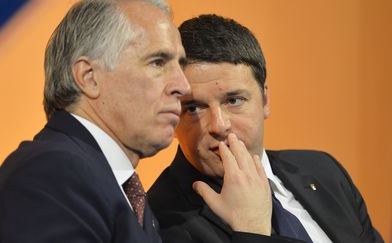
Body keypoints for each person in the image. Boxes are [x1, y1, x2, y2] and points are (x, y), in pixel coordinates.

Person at [0, 0, 190, 242]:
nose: (183, 86)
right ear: (89, 78)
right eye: (158, 62)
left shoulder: (116, 188)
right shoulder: (55, 173)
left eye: (180, 65)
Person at [147, 14, 384, 243]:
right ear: (174, 116)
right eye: (194, 108)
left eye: (234, 100)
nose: (219, 125)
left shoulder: (325, 171)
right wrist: (253, 232)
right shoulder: (157, 222)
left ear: (265, 101)